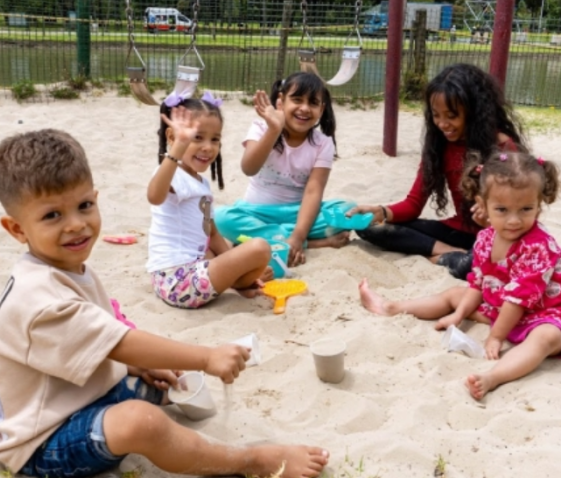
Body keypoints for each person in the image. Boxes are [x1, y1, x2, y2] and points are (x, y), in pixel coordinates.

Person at [0, 128, 329, 478]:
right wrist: (207, 357)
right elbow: (120, 343)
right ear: (17, 229)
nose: (76, 225)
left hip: (74, 393)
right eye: (52, 215)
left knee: (164, 379)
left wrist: (134, 366)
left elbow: (99, 340)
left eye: (84, 205)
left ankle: (152, 399)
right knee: (141, 423)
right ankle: (247, 461)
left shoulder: (64, 267)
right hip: (43, 439)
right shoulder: (40, 298)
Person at [358, 151, 561, 401]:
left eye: (526, 209)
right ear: (483, 205)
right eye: (502, 210)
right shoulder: (486, 238)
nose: (514, 220)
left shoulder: (538, 246)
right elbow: (478, 283)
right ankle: (392, 307)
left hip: (548, 312)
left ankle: (493, 378)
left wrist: (496, 337)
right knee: (456, 294)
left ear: (539, 205)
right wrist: (459, 314)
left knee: (546, 338)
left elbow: (518, 300)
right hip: (507, 309)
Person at [348, 63, 527, 280]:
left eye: (451, 116)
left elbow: (521, 213)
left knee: (476, 266)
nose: (443, 124)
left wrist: (490, 220)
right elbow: (413, 205)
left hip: (498, 236)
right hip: (458, 232)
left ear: (473, 111)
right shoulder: (438, 145)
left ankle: (454, 258)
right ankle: (447, 253)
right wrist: (381, 211)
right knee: (369, 227)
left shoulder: (503, 148)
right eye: (436, 115)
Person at [146, 91, 274, 309]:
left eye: (215, 139)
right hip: (176, 280)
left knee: (230, 252)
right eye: (197, 137)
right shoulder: (172, 174)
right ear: (171, 137)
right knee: (260, 248)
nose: (208, 147)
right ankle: (236, 281)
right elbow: (154, 196)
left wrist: (236, 263)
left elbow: (212, 233)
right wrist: (178, 148)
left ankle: (238, 282)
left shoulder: (201, 184)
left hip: (193, 270)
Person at [213, 72, 354, 269]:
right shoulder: (261, 128)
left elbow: (314, 191)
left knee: (348, 210)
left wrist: (298, 234)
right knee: (219, 218)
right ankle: (312, 243)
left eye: (313, 103)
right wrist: (273, 130)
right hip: (256, 213)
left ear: (321, 109)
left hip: (299, 214)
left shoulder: (323, 143)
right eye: (297, 100)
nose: (304, 108)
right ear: (281, 102)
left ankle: (266, 240)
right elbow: (249, 168)